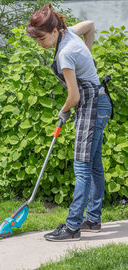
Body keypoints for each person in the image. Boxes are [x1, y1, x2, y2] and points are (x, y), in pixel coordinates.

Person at [26, 4, 113, 241]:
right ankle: (93, 220)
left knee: (82, 168)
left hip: (91, 106)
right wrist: (88, 53)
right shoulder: (70, 33)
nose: (40, 44)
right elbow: (91, 26)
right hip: (98, 103)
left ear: (54, 31)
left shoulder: (65, 53)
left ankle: (73, 226)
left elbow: (73, 97)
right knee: (93, 165)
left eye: (41, 38)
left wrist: (63, 111)